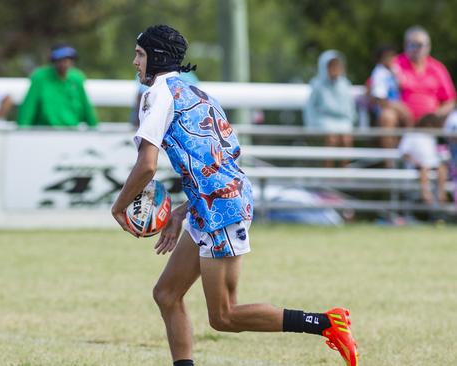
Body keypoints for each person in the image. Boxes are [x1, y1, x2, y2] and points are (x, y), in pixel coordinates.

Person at [110, 25, 359, 366]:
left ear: (157, 57)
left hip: (220, 210)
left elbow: (146, 167)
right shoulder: (198, 95)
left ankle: (328, 323)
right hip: (214, 203)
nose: (134, 62)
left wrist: (119, 206)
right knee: (167, 294)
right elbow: (222, 160)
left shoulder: (157, 96)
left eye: (139, 55)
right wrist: (183, 211)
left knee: (224, 316)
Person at [17, 44, 98, 128]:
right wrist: (22, 131)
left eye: (68, 60)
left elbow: (87, 108)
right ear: (54, 61)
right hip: (45, 132)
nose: (64, 64)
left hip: (72, 132)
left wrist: (96, 131)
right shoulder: (40, 78)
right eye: (60, 60)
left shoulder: (77, 79)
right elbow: (28, 108)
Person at [394, 26, 456, 125]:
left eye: (420, 45)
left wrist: (435, 116)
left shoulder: (438, 68)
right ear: (405, 45)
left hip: (432, 123)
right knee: (388, 116)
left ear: (428, 46)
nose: (417, 49)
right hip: (401, 121)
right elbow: (376, 91)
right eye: (413, 44)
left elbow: (450, 101)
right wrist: (398, 108)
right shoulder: (393, 64)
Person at [304, 50, 356, 167]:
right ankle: (329, 170)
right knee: (332, 138)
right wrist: (311, 124)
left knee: (346, 139)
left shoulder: (345, 84)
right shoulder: (317, 84)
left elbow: (350, 107)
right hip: (324, 120)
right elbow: (311, 107)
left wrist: (351, 120)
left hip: (343, 121)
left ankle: (345, 170)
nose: (335, 69)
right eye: (332, 66)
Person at [369, 45, 412, 153]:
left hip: (395, 107)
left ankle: (407, 150)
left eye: (392, 56)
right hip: (385, 109)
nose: (391, 59)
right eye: (387, 57)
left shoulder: (394, 70)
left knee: (408, 117)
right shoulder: (379, 73)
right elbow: (380, 100)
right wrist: (398, 106)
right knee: (389, 118)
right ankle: (390, 159)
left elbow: (402, 85)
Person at [398, 114, 448, 204]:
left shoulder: (432, 137)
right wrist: (414, 161)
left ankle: (441, 193)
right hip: (417, 164)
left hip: (432, 163)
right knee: (424, 168)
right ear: (429, 124)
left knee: (442, 169)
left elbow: (438, 153)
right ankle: (425, 193)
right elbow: (404, 153)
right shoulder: (411, 135)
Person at [130, 71, 199, 127]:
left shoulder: (147, 73)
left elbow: (141, 98)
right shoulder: (189, 76)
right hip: (179, 123)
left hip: (152, 122)